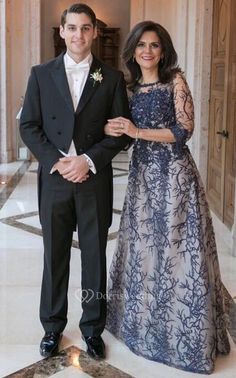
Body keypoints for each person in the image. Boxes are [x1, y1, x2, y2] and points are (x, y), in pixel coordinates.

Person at [105, 21, 230, 374]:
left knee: (179, 250)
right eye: (141, 45)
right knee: (145, 250)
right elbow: (126, 138)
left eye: (154, 45)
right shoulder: (128, 90)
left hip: (175, 177)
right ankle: (145, 329)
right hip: (142, 178)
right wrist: (111, 129)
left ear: (164, 51)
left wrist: (137, 130)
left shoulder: (175, 81)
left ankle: (184, 337)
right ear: (132, 51)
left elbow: (183, 131)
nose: (147, 51)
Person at [20, 3, 130, 360]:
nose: (79, 35)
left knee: (95, 256)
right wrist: (58, 161)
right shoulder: (40, 74)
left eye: (86, 28)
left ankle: (93, 328)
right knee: (55, 255)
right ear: (62, 31)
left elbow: (121, 133)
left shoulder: (111, 78)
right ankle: (52, 327)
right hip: (55, 179)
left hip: (93, 178)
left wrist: (87, 160)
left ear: (95, 32)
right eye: (72, 28)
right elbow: (29, 126)